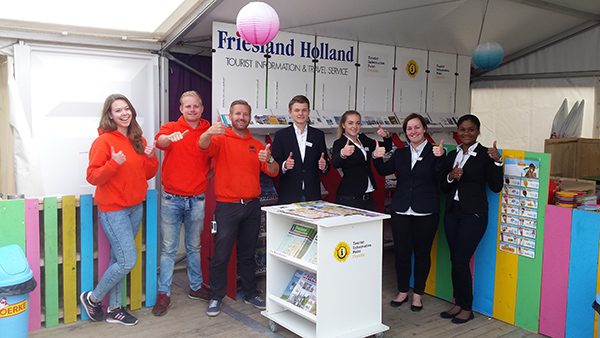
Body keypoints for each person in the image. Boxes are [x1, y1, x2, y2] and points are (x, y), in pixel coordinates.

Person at [81, 94, 158, 326]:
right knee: (126, 262)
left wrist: (151, 157)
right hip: (113, 209)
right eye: (118, 110)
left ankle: (114, 309)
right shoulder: (103, 142)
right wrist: (113, 163)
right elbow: (93, 176)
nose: (124, 113)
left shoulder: (138, 139)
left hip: (135, 207)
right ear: (110, 115)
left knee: (119, 258)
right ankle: (93, 298)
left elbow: (148, 173)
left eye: (127, 109)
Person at [198, 99, 279, 317]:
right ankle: (216, 296)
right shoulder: (220, 139)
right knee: (221, 254)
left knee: (247, 253)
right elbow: (202, 146)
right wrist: (207, 132)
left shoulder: (258, 145)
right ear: (230, 117)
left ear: (249, 118)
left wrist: (270, 159)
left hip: (252, 207)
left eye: (245, 114)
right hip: (227, 207)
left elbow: (273, 171)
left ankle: (251, 292)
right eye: (237, 114)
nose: (241, 117)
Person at [373, 113, 445, 312]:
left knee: (422, 254)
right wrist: (377, 158)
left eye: (417, 127)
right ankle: (403, 290)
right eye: (409, 128)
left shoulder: (436, 151)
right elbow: (383, 171)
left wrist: (440, 159)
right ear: (405, 132)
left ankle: (418, 294)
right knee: (401, 253)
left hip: (426, 211)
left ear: (424, 129)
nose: (413, 131)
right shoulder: (401, 154)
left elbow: (441, 177)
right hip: (401, 210)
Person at [151, 91, 211, 316]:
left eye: (196, 106)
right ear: (181, 109)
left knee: (194, 247)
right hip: (172, 199)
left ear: (202, 108)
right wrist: (170, 139)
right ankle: (164, 293)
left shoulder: (208, 130)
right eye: (188, 107)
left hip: (197, 199)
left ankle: (195, 287)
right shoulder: (170, 127)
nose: (192, 110)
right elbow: (160, 142)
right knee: (168, 249)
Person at [439, 114, 503, 324]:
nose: (466, 133)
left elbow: (496, 187)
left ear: (477, 132)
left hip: (473, 215)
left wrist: (496, 162)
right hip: (452, 212)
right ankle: (458, 303)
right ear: (457, 131)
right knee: (455, 260)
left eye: (471, 129)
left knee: (460, 260)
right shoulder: (453, 154)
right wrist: (450, 176)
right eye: (462, 129)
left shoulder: (486, 154)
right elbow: (443, 187)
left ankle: (467, 307)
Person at [271, 95, 328, 203]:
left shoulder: (318, 135)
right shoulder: (281, 135)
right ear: (290, 112)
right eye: (297, 110)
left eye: (304, 110)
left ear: (308, 112)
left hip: (312, 194)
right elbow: (274, 164)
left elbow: (325, 163)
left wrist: (324, 166)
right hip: (289, 194)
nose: (300, 114)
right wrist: (284, 165)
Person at [331, 110, 392, 210]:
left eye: (357, 123)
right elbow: (335, 163)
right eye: (350, 123)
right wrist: (343, 153)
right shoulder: (340, 143)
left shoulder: (363, 139)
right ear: (343, 125)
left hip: (368, 195)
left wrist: (386, 136)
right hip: (350, 196)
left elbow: (387, 147)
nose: (354, 126)